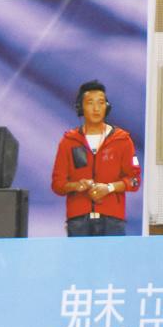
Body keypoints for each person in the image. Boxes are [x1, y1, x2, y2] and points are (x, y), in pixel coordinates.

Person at [50, 79, 140, 236]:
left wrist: (109, 188)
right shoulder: (68, 142)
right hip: (78, 221)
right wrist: (76, 186)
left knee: (112, 261)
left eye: (101, 102)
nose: (96, 108)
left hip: (113, 220)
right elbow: (57, 184)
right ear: (80, 107)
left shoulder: (123, 140)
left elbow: (135, 181)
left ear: (107, 106)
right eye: (90, 103)